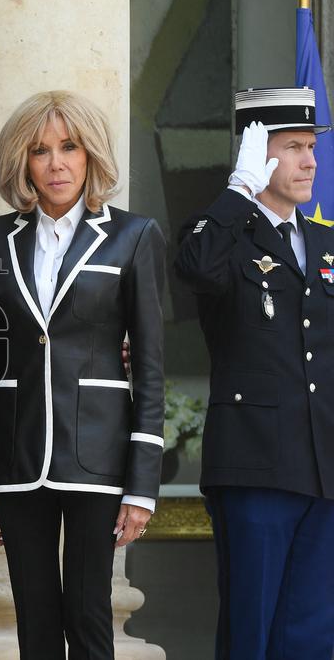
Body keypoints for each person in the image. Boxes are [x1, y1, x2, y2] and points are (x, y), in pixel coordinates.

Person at [0, 90, 165, 660]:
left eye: (69, 147)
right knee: (34, 616)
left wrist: (143, 485)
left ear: (90, 153)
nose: (56, 163)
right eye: (40, 150)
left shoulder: (134, 235)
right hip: (16, 453)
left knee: (89, 612)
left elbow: (149, 366)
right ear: (21, 163)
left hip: (99, 455)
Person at [174, 87, 334, 660]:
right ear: (257, 153)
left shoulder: (325, 243)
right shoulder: (222, 234)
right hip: (255, 462)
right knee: (252, 628)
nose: (311, 160)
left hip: (323, 466)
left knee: (314, 635)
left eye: (311, 147)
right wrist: (238, 191)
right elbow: (194, 268)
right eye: (293, 147)